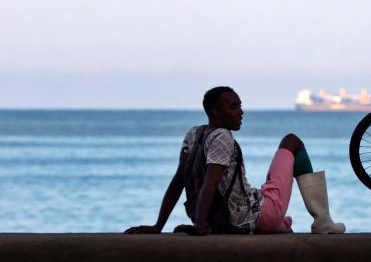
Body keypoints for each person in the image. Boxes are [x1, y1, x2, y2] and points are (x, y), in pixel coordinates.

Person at [125, 86, 346, 236]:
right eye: (233, 107)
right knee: (291, 141)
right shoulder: (223, 138)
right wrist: (200, 227)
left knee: (275, 216)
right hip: (254, 217)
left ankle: (282, 224)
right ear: (215, 112)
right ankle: (322, 220)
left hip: (228, 221)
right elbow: (210, 183)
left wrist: (158, 226)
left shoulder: (194, 135)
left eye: (240, 105)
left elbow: (178, 181)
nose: (241, 112)